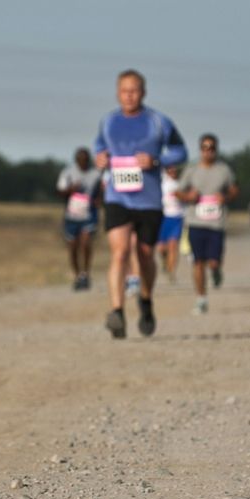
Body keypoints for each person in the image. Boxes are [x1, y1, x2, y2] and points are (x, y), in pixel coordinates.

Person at [94, 69, 188, 338]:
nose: (129, 95)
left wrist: (157, 161)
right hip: (117, 197)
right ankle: (117, 312)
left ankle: (146, 301)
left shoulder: (159, 122)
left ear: (143, 93)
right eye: (124, 91)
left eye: (134, 90)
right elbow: (99, 147)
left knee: (145, 255)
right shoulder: (109, 122)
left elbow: (181, 151)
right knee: (120, 252)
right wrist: (99, 158)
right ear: (117, 93)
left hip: (148, 200)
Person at [176, 134, 238, 314]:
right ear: (200, 149)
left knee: (213, 262)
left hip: (216, 224)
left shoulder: (224, 170)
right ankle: (201, 298)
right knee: (198, 262)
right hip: (195, 221)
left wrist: (225, 197)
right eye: (205, 147)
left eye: (211, 148)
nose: (208, 151)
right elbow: (178, 192)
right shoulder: (192, 170)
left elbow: (235, 189)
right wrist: (188, 197)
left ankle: (216, 271)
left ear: (216, 150)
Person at [56, 147, 103, 290]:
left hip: (88, 215)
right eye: (80, 160)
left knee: (86, 243)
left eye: (85, 160)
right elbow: (60, 191)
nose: (83, 162)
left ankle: (85, 274)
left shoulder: (96, 173)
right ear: (76, 160)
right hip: (71, 216)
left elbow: (102, 190)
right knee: (73, 248)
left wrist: (99, 200)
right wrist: (71, 189)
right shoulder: (67, 172)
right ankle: (77, 275)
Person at [156, 165, 185, 283]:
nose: (173, 171)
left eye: (175, 168)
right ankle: (164, 260)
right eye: (170, 168)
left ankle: (171, 272)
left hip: (177, 218)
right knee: (161, 248)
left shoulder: (182, 183)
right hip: (163, 217)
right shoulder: (161, 182)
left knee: (173, 245)